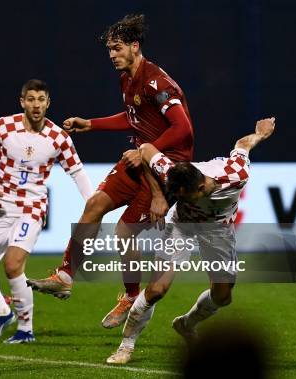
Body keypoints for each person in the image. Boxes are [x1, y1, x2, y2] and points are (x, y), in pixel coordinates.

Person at [27, 14, 194, 330]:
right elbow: (133, 117)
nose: (112, 55)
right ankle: (64, 277)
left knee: (124, 231)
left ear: (134, 46)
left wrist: (147, 150)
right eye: (109, 50)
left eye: (117, 48)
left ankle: (131, 296)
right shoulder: (127, 78)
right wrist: (92, 124)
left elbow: (182, 128)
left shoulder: (156, 82)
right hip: (138, 160)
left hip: (165, 167)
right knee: (95, 205)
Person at [106, 117, 275, 364]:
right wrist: (158, 196)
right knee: (156, 290)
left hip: (218, 231)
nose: (181, 198)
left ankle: (187, 324)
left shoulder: (237, 173)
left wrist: (260, 133)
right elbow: (145, 150)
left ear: (200, 187)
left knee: (223, 297)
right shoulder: (174, 172)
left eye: (185, 197)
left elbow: (242, 144)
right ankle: (126, 346)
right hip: (182, 227)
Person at [0, 79, 93, 343]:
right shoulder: (3, 126)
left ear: (48, 103)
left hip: (31, 208)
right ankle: (1, 310)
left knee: (12, 264)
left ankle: (26, 329)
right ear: (22, 101)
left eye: (41, 99)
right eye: (31, 99)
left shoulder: (58, 137)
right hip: (1, 206)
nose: (36, 104)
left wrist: (94, 204)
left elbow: (77, 172)